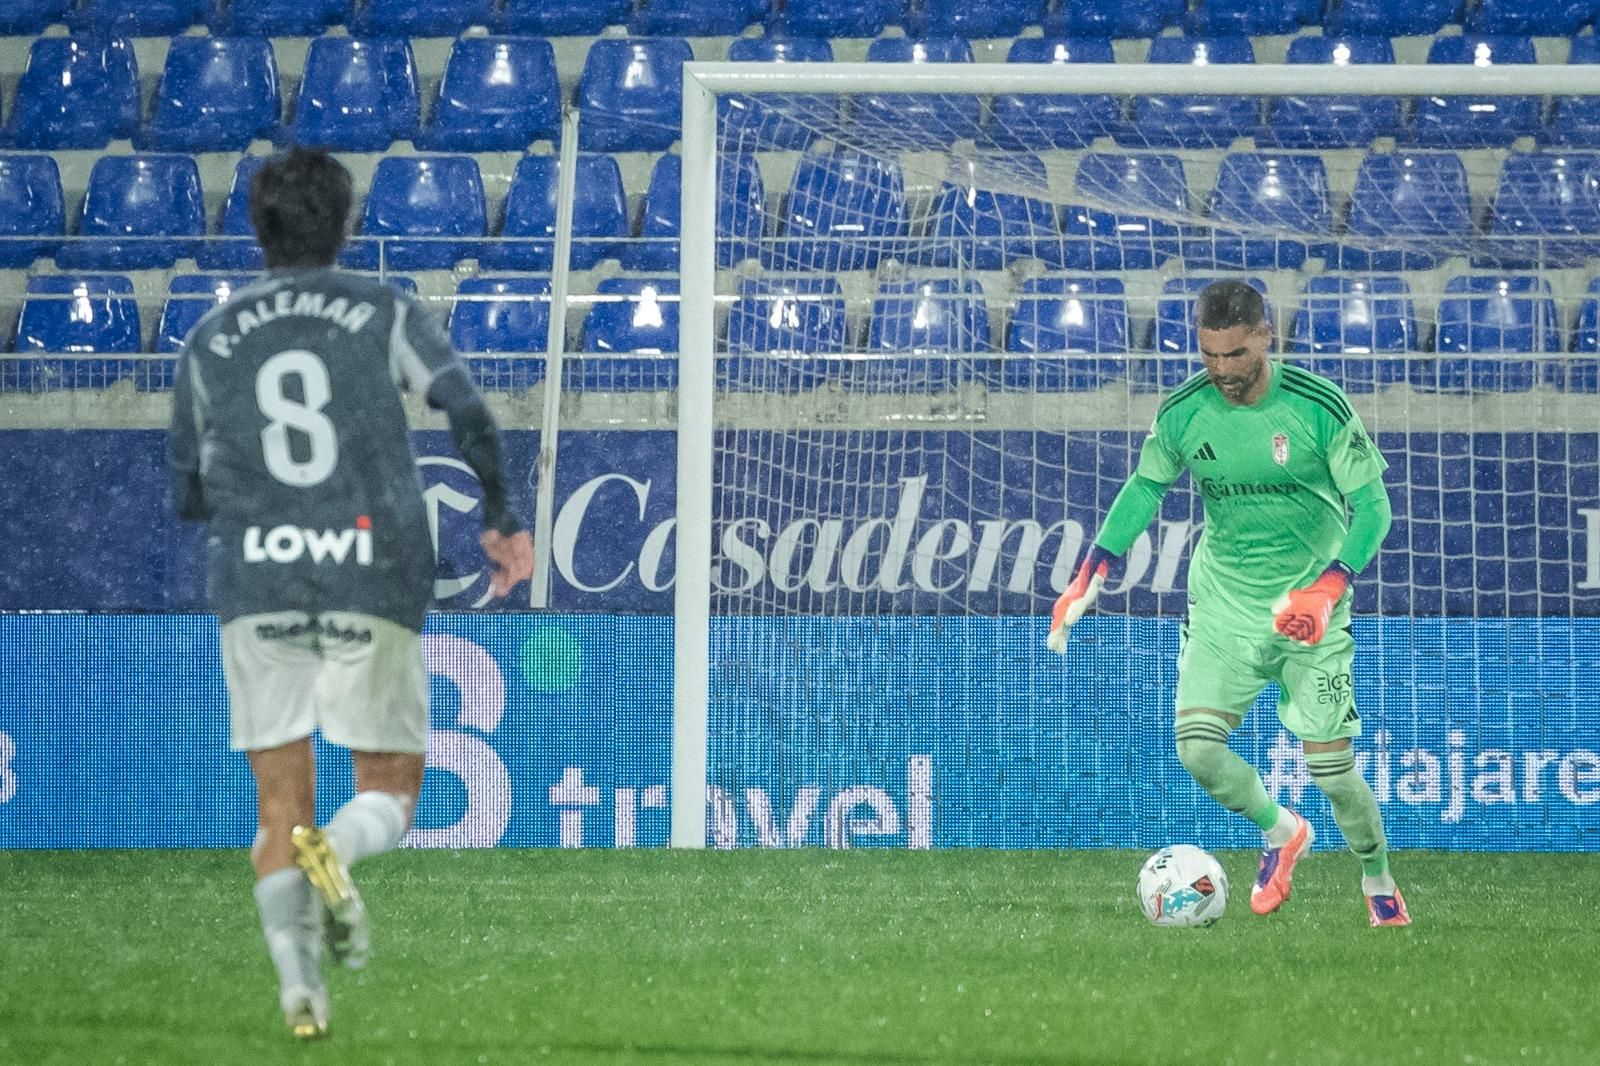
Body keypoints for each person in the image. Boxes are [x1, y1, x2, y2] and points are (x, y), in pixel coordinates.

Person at [168, 146, 535, 1038]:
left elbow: (188, 491)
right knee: (390, 787)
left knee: (275, 811)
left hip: (257, 577)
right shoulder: (383, 310)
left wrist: (267, 513)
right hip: (371, 564)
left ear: (254, 233)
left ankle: (300, 990)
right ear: (348, 223)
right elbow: (466, 408)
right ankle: (344, 846)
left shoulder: (209, 339)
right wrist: (500, 514)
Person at [1047, 279, 1409, 928]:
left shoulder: (1317, 406)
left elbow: (1375, 508)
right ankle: (1280, 831)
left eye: (1236, 354)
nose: (1222, 372)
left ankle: (1376, 872)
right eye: (1209, 356)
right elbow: (1144, 488)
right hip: (1222, 608)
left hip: (1310, 613)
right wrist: (1089, 571)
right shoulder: (1186, 410)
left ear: (1266, 337)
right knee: (1198, 751)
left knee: (1333, 774)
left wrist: (1330, 586)